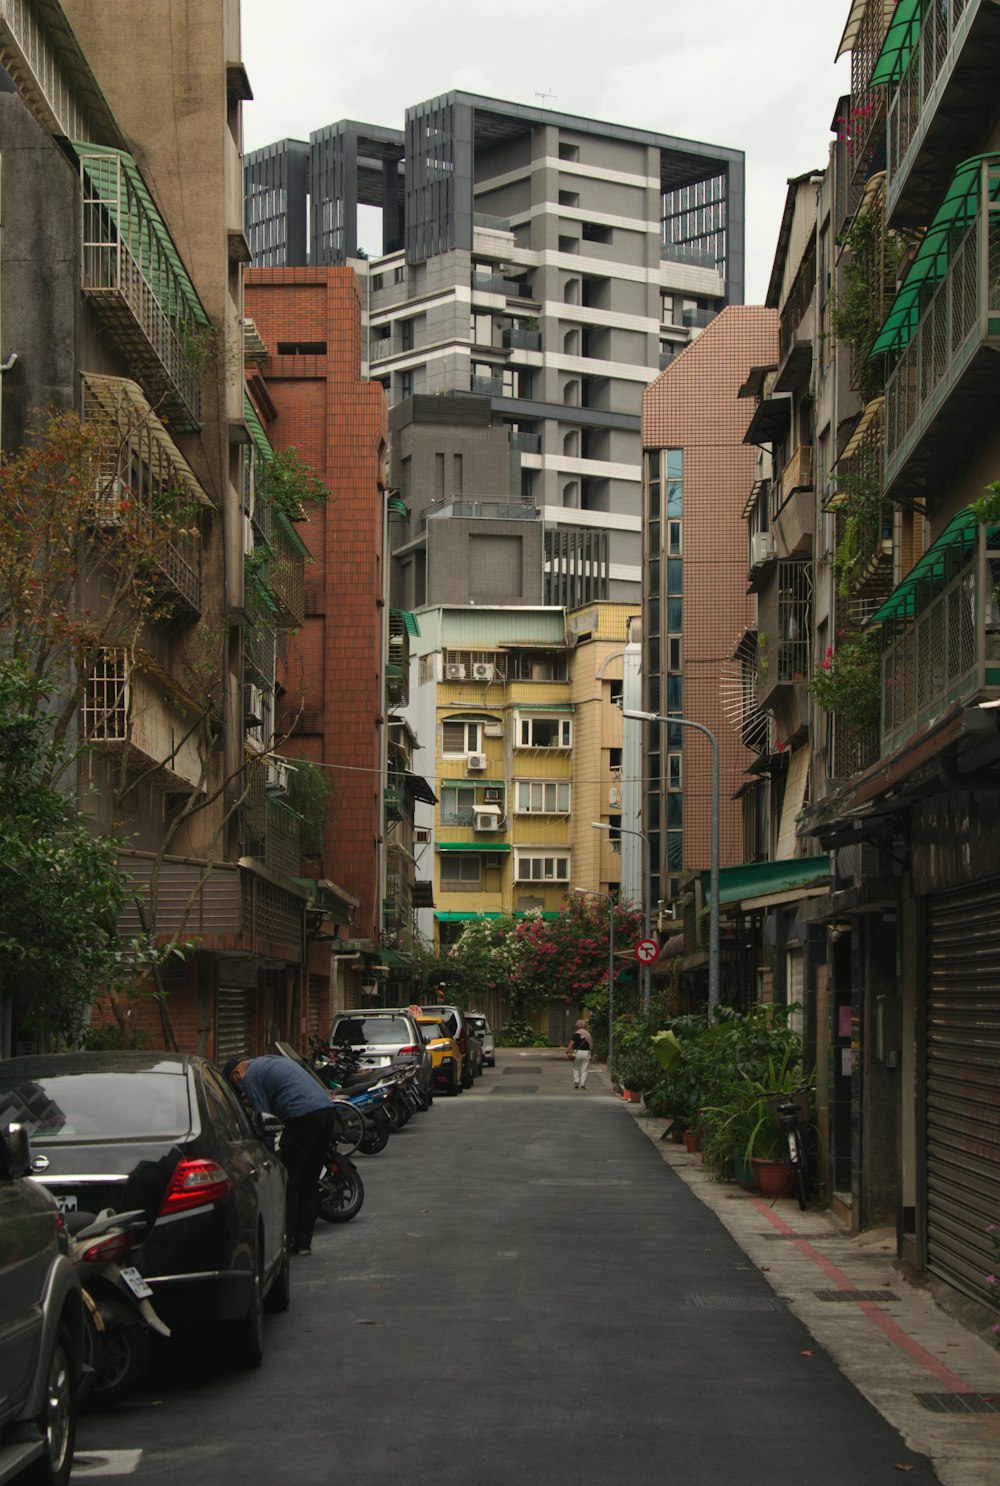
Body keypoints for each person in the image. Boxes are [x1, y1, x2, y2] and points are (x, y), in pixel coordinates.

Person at [224, 1054, 333, 1256]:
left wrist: (265, 1155)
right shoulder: (268, 1061)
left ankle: (286, 1239)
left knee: (288, 1180)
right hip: (326, 1111)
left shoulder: (248, 1078)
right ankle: (303, 1243)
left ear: (236, 1075)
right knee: (309, 1180)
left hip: (302, 1117)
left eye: (236, 1085)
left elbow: (264, 1119)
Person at [565, 1020, 593, 1089]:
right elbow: (591, 1045)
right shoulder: (588, 1034)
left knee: (576, 1067)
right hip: (586, 1052)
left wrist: (568, 1051)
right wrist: (591, 1054)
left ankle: (576, 1082)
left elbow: (571, 1043)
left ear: (577, 1026)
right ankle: (582, 1083)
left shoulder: (576, 1034)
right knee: (584, 1069)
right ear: (585, 1026)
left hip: (577, 1052)